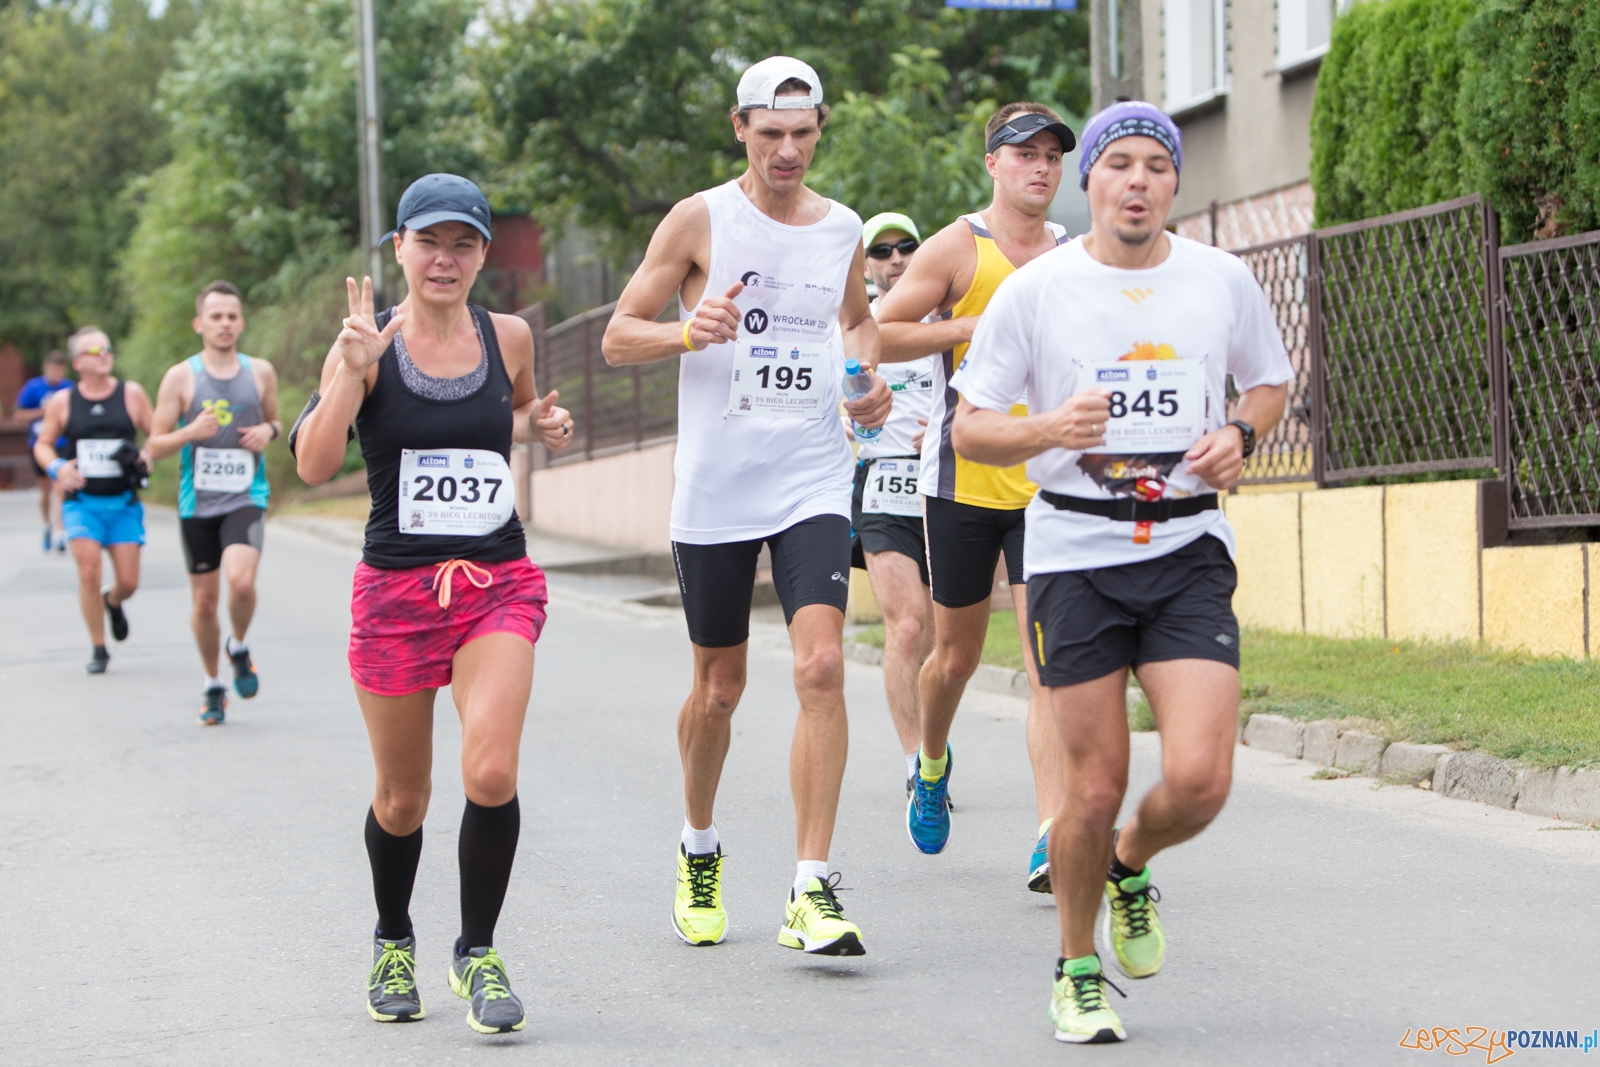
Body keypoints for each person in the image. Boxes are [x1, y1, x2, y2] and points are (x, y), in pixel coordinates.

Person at [948, 100, 1292, 1043]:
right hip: (1075, 554)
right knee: (1091, 790)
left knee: (1200, 780)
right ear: (1089, 182)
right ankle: (1076, 964)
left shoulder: (1220, 280)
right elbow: (970, 424)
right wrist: (1048, 429)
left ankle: (1131, 860)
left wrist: (1240, 432)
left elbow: (1270, 378)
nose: (1136, 180)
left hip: (1185, 550)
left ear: (1175, 183)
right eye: (1119, 165)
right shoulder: (1036, 291)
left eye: (1155, 165)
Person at [602, 56, 891, 957]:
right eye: (771, 135)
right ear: (740, 129)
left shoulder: (842, 227)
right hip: (718, 488)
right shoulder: (701, 219)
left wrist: (867, 378)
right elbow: (616, 336)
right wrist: (688, 331)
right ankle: (699, 842)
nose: (789, 152)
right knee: (718, 688)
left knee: (819, 669)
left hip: (810, 472)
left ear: (821, 128)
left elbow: (858, 322)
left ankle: (811, 887)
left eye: (804, 136)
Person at [292, 173, 574, 1033]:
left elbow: (517, 412)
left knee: (490, 769)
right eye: (429, 241)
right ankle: (392, 936)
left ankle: (479, 952)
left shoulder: (511, 335)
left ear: (484, 253)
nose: (445, 259)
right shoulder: (366, 343)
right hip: (397, 593)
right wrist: (350, 371)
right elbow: (310, 465)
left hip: (497, 582)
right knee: (402, 798)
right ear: (400, 250)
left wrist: (542, 426)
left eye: (464, 243)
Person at [876, 103, 1076, 886]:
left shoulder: (1075, 253)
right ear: (991, 163)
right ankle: (930, 763)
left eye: (1053, 155)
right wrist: (968, 329)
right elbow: (880, 331)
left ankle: (1053, 834)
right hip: (961, 480)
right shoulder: (958, 247)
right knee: (952, 658)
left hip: (1050, 485)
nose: (1040, 167)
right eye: (1024, 153)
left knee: (1048, 664)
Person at [148, 281, 280, 726]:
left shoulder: (259, 371)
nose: (224, 324)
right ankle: (212, 684)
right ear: (199, 323)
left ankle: (238, 646)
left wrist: (271, 432)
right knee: (204, 604)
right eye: (216, 316)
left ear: (241, 323)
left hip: (246, 496)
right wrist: (190, 433)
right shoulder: (181, 377)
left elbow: (277, 418)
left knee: (240, 584)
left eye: (231, 316)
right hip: (197, 503)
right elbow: (155, 443)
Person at [850, 211, 937, 798]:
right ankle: (916, 765)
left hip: (948, 486)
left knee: (944, 641)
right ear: (864, 267)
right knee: (906, 626)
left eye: (907, 247)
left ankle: (934, 742)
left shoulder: (948, 325)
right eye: (881, 252)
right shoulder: (852, 331)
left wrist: (952, 429)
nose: (896, 259)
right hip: (883, 484)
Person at [32, 328, 153, 674]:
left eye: (108, 348)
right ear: (77, 362)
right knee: (88, 571)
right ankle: (99, 647)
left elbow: (156, 430)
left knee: (128, 582)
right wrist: (57, 467)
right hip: (82, 502)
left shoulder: (131, 394)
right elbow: (43, 444)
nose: (104, 354)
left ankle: (112, 600)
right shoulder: (63, 402)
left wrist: (148, 453)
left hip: (124, 501)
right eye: (95, 350)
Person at [16, 350, 73, 553]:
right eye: (53, 369)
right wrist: (45, 412)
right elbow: (18, 414)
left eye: (60, 370)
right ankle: (47, 525)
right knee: (46, 489)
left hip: (63, 443)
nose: (56, 374)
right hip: (40, 444)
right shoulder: (33, 388)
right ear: (46, 368)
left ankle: (60, 532)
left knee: (60, 486)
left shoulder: (69, 388)